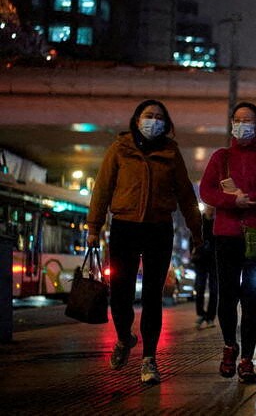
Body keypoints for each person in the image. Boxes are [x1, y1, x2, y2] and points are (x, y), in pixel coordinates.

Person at [87, 99, 202, 385]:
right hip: (124, 227)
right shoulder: (120, 148)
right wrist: (93, 227)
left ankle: (149, 359)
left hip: (159, 229)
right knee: (121, 293)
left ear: (166, 123)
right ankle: (124, 337)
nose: (154, 120)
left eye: (159, 117)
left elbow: (186, 195)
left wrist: (197, 231)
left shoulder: (171, 153)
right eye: (148, 115)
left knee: (153, 296)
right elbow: (102, 188)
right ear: (137, 120)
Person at [199, 101, 256, 384]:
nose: (242, 125)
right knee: (226, 296)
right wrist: (231, 201)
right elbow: (206, 190)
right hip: (225, 236)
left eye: (248, 120)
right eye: (237, 120)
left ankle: (247, 359)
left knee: (250, 298)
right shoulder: (220, 156)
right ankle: (229, 346)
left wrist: (251, 199)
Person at [194, 205, 218, 330]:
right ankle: (201, 314)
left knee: (214, 290)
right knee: (199, 288)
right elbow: (193, 237)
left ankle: (210, 317)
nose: (211, 209)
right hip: (201, 260)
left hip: (214, 261)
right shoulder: (200, 221)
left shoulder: (217, 223)